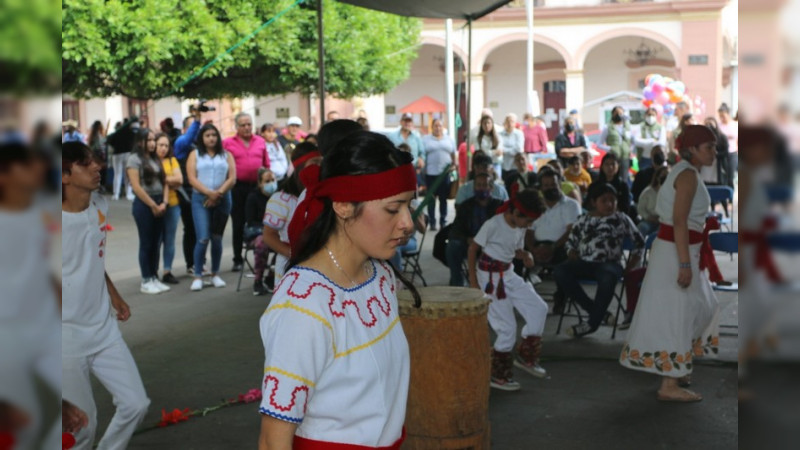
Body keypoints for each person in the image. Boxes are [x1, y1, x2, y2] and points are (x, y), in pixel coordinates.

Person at [258, 131, 419, 449]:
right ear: (344, 206)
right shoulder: (303, 305)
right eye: (393, 209)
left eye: (408, 206)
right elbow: (272, 441)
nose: (408, 223)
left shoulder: (379, 276)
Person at [620, 125, 722, 402]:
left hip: (682, 250)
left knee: (702, 307)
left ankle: (677, 366)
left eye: (713, 146)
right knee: (678, 313)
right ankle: (670, 382)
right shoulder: (687, 175)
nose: (714, 151)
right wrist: (685, 265)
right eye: (708, 147)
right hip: (677, 252)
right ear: (691, 150)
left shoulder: (687, 173)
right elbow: (679, 221)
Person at [62, 142, 150, 449]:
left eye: (95, 160)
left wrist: (114, 295)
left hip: (103, 329)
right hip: (64, 340)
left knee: (136, 403)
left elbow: (93, 256)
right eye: (85, 163)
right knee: (82, 427)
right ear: (64, 176)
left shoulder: (100, 204)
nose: (97, 166)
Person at [0, 141, 61, 449]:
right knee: (23, 427)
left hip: (45, 327)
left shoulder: (40, 213)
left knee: (73, 408)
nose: (39, 168)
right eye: (27, 164)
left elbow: (45, 270)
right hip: (7, 337)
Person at [468, 187, 549, 390]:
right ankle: (498, 374)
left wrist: (526, 255)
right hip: (489, 278)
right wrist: (473, 282)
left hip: (509, 274)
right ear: (514, 212)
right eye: (527, 221)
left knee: (539, 308)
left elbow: (516, 250)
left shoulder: (520, 227)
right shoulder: (493, 224)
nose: (529, 225)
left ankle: (526, 356)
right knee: (507, 328)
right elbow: (473, 248)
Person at [554, 182, 644, 337]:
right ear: (593, 202)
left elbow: (639, 242)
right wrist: (570, 251)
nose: (610, 204)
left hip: (609, 264)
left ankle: (591, 324)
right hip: (584, 263)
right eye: (604, 200)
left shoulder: (621, 218)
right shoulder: (583, 219)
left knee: (608, 277)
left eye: (613, 200)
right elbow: (570, 242)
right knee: (560, 271)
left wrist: (631, 265)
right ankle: (598, 313)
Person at [262, 142, 321, 284]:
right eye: (314, 162)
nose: (319, 167)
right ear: (300, 166)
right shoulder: (281, 199)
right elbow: (269, 236)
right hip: (290, 265)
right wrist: (295, 255)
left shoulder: (321, 193)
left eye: (321, 162)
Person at [187, 123, 236, 291]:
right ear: (202, 138)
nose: (211, 138)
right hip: (200, 198)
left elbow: (232, 178)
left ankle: (215, 273)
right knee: (203, 237)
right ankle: (198, 275)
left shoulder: (226, 155)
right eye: (207, 135)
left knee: (217, 237)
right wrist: (209, 193)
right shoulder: (195, 155)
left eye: (214, 135)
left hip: (223, 198)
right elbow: (192, 178)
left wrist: (218, 193)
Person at [525, 168, 582, 303]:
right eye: (546, 185)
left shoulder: (571, 205)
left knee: (564, 263)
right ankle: (520, 297)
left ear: (560, 184)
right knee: (515, 256)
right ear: (541, 187)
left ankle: (561, 297)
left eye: (553, 184)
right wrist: (532, 248)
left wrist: (553, 247)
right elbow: (528, 231)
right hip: (537, 246)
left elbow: (571, 231)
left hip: (561, 246)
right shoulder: (536, 205)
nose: (550, 188)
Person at [127, 129, 171, 294]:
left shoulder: (155, 158)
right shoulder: (134, 159)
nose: (153, 143)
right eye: (149, 140)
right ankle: (146, 279)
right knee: (146, 242)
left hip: (160, 201)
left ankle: (154, 276)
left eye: (154, 140)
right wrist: (153, 205)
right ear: (140, 142)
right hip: (144, 203)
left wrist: (164, 202)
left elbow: (165, 182)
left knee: (156, 242)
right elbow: (136, 187)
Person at [224, 112, 269, 272]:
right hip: (237, 188)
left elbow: (266, 165)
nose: (247, 127)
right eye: (243, 125)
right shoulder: (228, 143)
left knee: (259, 221)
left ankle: (262, 257)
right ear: (237, 127)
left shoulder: (261, 141)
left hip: (257, 188)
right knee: (238, 223)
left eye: (249, 124)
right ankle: (237, 258)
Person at [447, 173, 504, 286]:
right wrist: (467, 239)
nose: (481, 188)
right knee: (452, 247)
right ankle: (457, 283)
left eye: (485, 185)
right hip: (470, 243)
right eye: (478, 185)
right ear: (474, 188)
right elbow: (456, 230)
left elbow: (505, 229)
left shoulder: (499, 206)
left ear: (491, 188)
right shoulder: (465, 206)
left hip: (492, 244)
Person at [173, 107, 203, 273]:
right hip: (186, 194)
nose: (196, 131)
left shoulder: (200, 144)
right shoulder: (181, 143)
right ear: (185, 129)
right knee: (191, 229)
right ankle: (191, 264)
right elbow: (190, 136)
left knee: (202, 231)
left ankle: (201, 262)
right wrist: (197, 120)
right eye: (193, 127)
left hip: (201, 192)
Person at [156, 133, 183, 285]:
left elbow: (179, 180)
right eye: (161, 145)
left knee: (169, 239)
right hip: (154, 205)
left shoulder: (172, 161)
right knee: (156, 240)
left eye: (166, 145)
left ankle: (167, 271)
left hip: (173, 204)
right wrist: (170, 181)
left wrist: (163, 179)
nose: (163, 148)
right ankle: (152, 271)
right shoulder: (151, 161)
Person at [246, 168, 277, 296]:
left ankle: (271, 276)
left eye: (273, 180)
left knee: (289, 244)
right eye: (267, 181)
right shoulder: (253, 197)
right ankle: (257, 280)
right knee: (262, 243)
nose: (271, 183)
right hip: (258, 233)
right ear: (260, 183)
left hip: (276, 233)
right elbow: (250, 221)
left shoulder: (279, 197)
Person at [422, 118, 456, 230]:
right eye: (436, 125)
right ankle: (432, 222)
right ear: (432, 127)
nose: (438, 128)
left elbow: (453, 154)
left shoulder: (449, 139)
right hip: (430, 174)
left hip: (444, 174)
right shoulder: (426, 139)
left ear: (443, 127)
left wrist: (454, 165)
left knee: (443, 199)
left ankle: (443, 221)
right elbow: (422, 155)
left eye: (440, 125)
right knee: (431, 200)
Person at [106, 116, 140, 200]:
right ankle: (128, 194)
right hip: (128, 153)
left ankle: (116, 194)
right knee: (127, 174)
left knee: (117, 174)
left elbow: (110, 141)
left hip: (117, 154)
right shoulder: (131, 132)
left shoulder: (117, 132)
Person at [598, 105, 633, 182]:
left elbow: (632, 141)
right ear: (612, 114)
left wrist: (629, 149)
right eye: (616, 113)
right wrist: (610, 148)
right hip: (613, 158)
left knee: (624, 179)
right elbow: (599, 144)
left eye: (620, 113)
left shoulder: (627, 127)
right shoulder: (607, 127)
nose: (618, 115)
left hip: (625, 158)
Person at [387, 112, 425, 177]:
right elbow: (387, 152)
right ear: (401, 122)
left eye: (409, 121)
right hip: (396, 170)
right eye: (405, 120)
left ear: (412, 123)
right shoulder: (392, 136)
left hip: (413, 170)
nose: (407, 123)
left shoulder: (416, 137)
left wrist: (421, 159)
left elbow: (422, 153)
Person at [637, 166, 669, 236]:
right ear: (657, 177)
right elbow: (640, 208)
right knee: (642, 228)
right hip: (648, 220)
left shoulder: (671, 194)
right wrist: (649, 217)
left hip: (663, 222)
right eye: (663, 175)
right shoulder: (648, 192)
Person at [498, 113, 525, 192]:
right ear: (505, 122)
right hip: (503, 166)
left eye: (512, 121)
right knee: (505, 188)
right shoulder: (500, 134)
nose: (510, 124)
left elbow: (518, 149)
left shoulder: (519, 134)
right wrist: (510, 150)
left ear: (515, 123)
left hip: (515, 166)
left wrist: (504, 150)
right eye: (508, 121)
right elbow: (499, 148)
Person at [703, 117, 731, 186]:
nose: (709, 126)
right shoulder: (701, 137)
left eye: (711, 124)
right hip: (705, 167)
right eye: (707, 124)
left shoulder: (722, 137)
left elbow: (726, 152)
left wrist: (715, 155)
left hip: (718, 165)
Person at [717, 103, 738, 178]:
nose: (722, 118)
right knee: (724, 175)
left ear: (728, 114)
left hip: (733, 152)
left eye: (723, 116)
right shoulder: (719, 125)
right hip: (722, 153)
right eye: (720, 116)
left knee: (731, 174)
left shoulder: (735, 125)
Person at [87, 121, 108, 188]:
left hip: (94, 156)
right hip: (100, 156)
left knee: (96, 171)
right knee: (101, 172)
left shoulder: (92, 135)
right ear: (100, 126)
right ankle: (101, 186)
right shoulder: (99, 135)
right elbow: (101, 146)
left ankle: (97, 186)